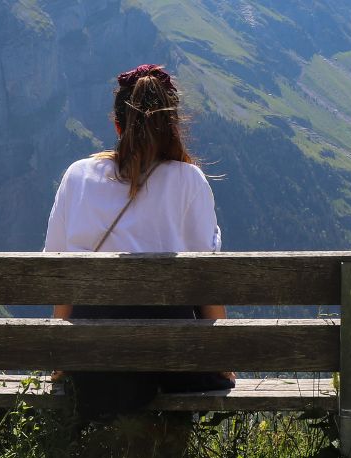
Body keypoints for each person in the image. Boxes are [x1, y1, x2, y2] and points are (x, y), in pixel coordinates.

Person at [43, 64, 236, 423]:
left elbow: (60, 278)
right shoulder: (188, 180)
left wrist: (61, 357)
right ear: (172, 126)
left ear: (117, 126)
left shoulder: (77, 176)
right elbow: (207, 280)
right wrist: (221, 359)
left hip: (93, 362)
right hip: (170, 362)